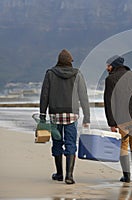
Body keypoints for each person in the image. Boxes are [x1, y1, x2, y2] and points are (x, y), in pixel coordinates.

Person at [40, 49, 90, 184]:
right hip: (72, 115)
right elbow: (83, 96)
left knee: (57, 143)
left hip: (55, 115)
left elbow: (44, 95)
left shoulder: (50, 73)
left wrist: (42, 115)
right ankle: (69, 175)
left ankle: (59, 174)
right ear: (70, 62)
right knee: (71, 143)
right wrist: (87, 116)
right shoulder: (77, 74)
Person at [104, 55, 132, 183]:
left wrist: (112, 123)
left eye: (108, 65)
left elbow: (109, 102)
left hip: (122, 117)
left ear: (114, 66)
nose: (107, 67)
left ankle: (126, 175)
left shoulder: (111, 79)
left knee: (123, 144)